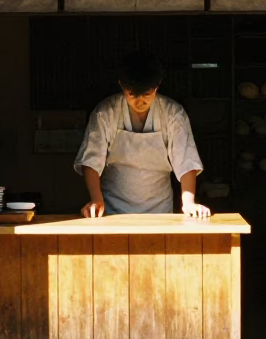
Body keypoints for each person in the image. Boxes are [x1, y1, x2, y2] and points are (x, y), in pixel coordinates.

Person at [73, 49, 210, 219]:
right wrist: (95, 199)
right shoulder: (105, 112)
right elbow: (91, 161)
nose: (140, 101)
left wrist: (188, 202)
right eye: (132, 95)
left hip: (160, 210)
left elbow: (186, 160)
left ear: (157, 85)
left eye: (146, 94)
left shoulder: (173, 113)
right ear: (121, 85)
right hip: (112, 210)